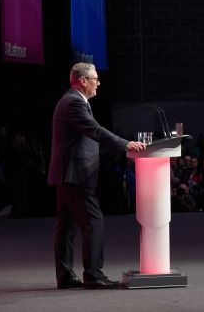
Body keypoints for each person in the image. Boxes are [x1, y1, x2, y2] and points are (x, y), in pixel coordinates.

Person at [48, 62, 146, 290]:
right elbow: (95, 130)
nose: (98, 83)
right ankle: (93, 275)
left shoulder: (72, 100)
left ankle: (65, 276)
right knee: (93, 222)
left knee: (66, 227)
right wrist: (125, 144)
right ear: (83, 81)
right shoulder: (73, 102)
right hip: (74, 173)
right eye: (95, 79)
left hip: (68, 172)